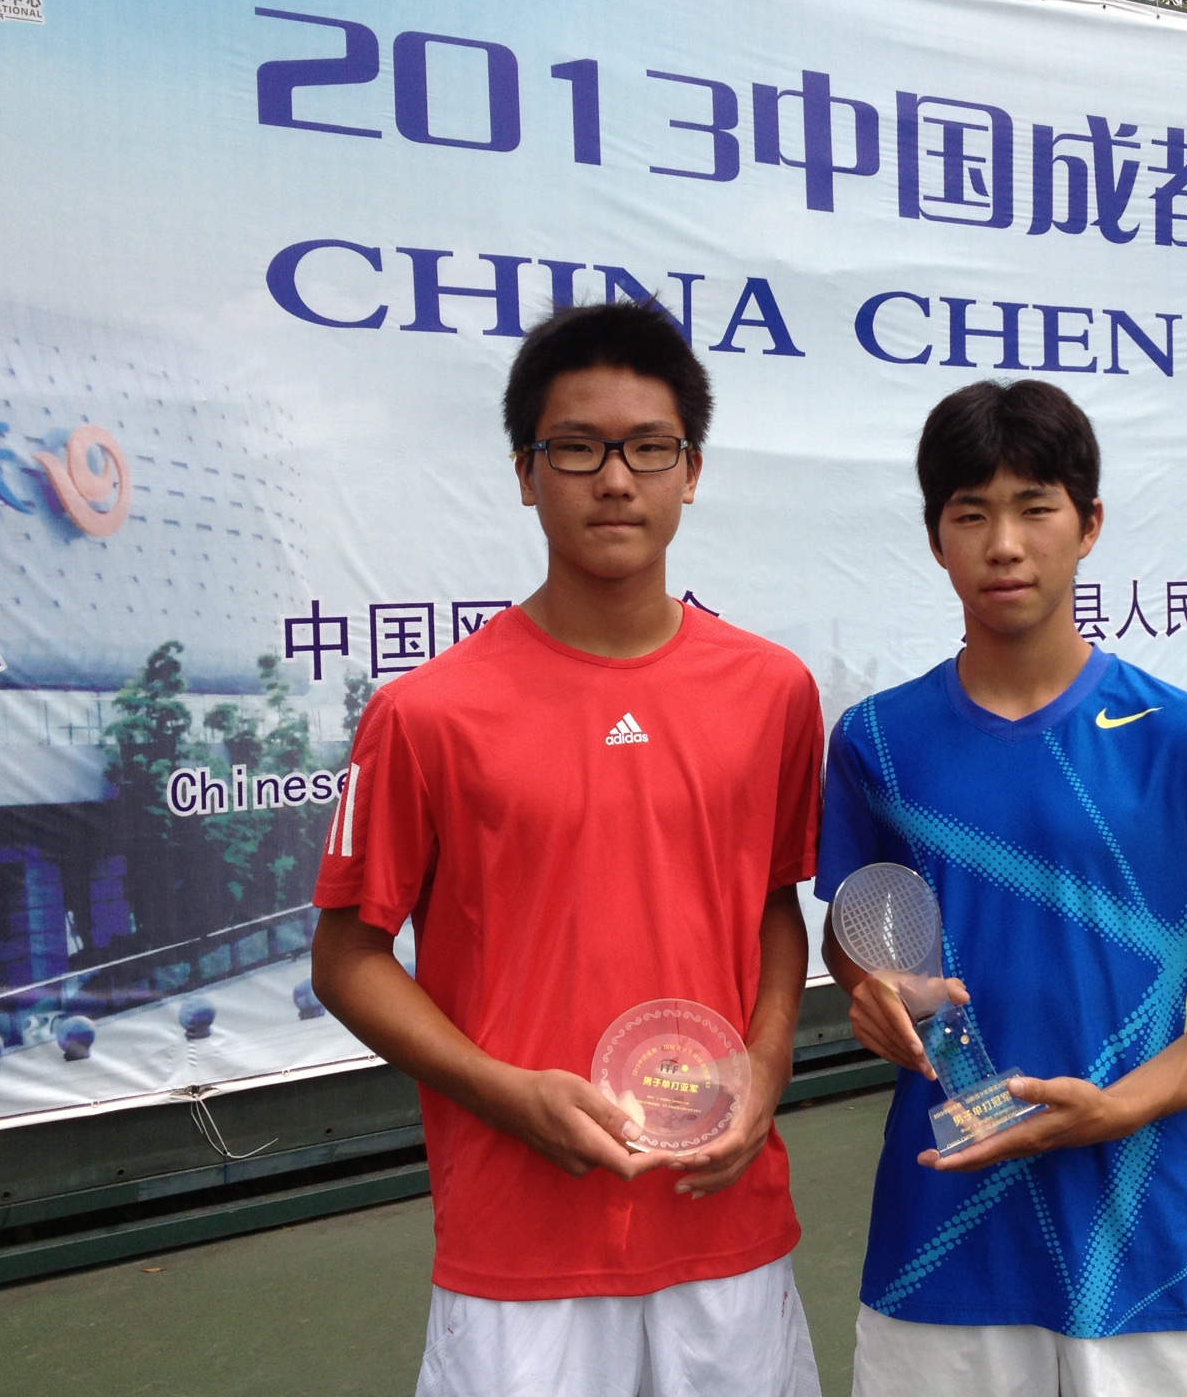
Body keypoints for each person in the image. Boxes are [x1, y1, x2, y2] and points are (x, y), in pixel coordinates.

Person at [310, 302, 824, 1397]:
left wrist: (769, 1064)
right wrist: (504, 1092)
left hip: (719, 1216)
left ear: (691, 472)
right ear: (525, 474)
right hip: (518, 1240)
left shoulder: (771, 691)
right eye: (578, 448)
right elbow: (346, 959)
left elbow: (773, 902)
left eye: (649, 448)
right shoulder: (425, 713)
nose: (615, 480)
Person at [816, 379, 1187, 1397]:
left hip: (1144, 1251)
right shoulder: (875, 741)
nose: (1003, 544)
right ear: (935, 538)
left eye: (1034, 508)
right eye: (971, 514)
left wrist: (1117, 1107)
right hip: (937, 1244)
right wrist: (872, 989)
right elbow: (858, 934)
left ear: (1087, 525)